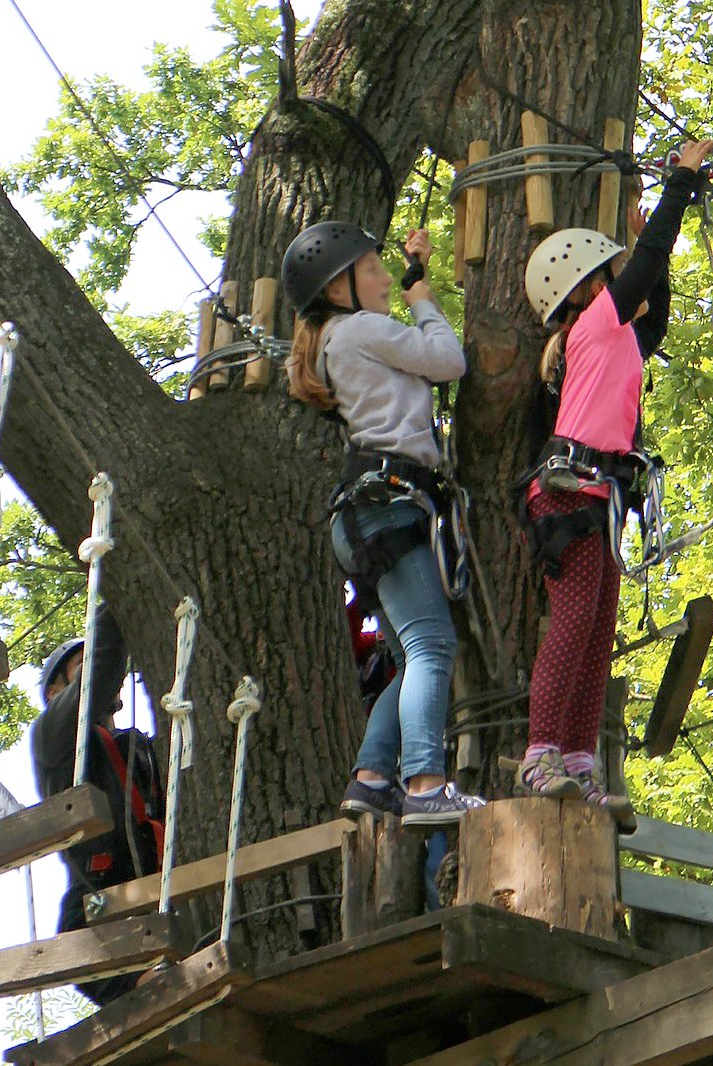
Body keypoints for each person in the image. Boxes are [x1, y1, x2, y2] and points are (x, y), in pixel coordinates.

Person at [516, 139, 713, 832]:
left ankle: (576, 760)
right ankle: (540, 754)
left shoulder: (618, 336)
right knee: (573, 628)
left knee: (597, 634)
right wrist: (680, 182)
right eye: (608, 276)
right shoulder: (592, 327)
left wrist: (649, 236)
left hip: (600, 497)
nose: (618, 286)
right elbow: (650, 267)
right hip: (571, 494)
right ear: (582, 290)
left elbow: (654, 311)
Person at [282, 220, 486, 827]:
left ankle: (373, 778)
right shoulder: (362, 330)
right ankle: (424, 783)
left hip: (365, 516)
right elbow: (449, 361)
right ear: (340, 288)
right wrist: (422, 300)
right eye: (371, 270)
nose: (382, 280)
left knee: (407, 654)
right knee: (433, 645)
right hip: (390, 506)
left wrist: (414, 272)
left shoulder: (336, 340)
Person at [30, 602, 164, 1004]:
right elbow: (101, 670)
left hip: (157, 887)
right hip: (98, 892)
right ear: (55, 693)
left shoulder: (139, 748)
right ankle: (143, 989)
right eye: (79, 666)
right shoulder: (52, 735)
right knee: (82, 946)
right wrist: (115, 595)